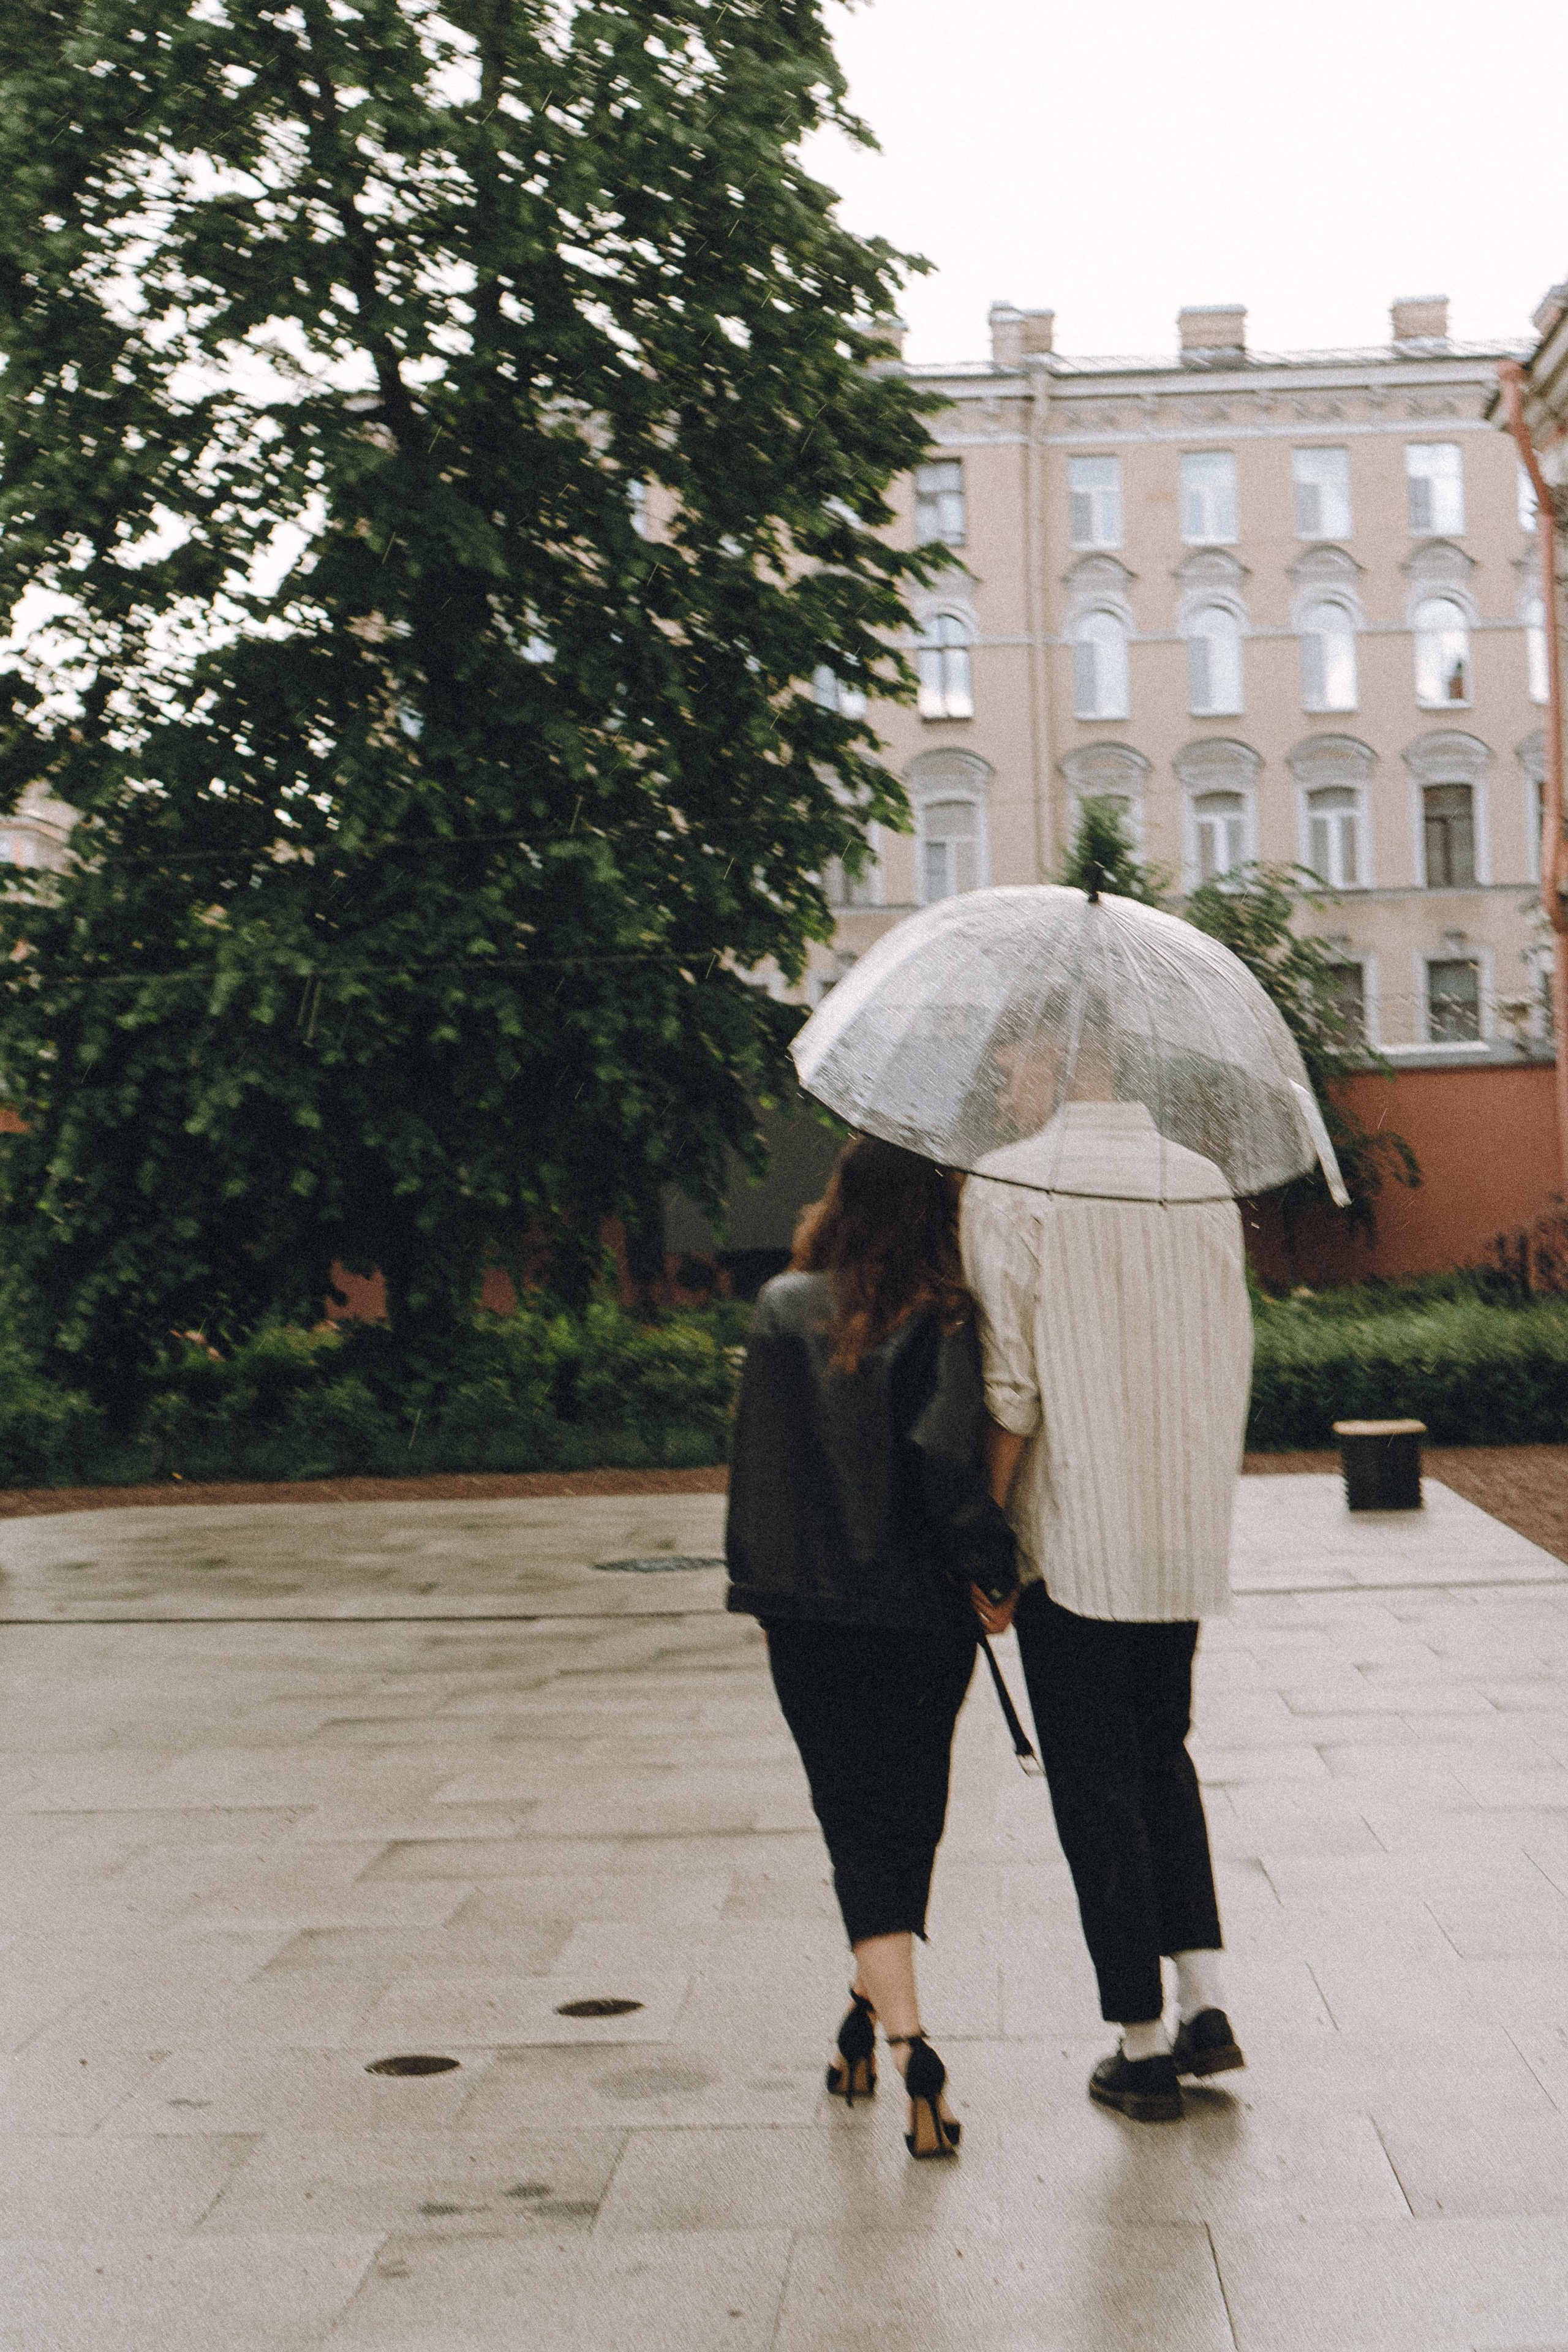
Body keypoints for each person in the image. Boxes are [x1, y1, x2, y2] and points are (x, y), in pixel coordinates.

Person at [960, 1092, 1253, 2124]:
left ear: (1057, 1052)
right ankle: (1204, 2002)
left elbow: (1011, 1388)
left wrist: (985, 1526)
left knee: (1093, 1781)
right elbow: (1232, 1348)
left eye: (1016, 1044)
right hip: (1177, 1523)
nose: (1000, 1064)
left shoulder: (1014, 1180)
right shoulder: (1201, 1182)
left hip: (1074, 1530)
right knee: (1161, 1753)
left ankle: (1138, 2043)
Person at [726, 1136, 1017, 2160]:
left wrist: (761, 1590)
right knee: (906, 1817)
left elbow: (756, 1463)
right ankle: (912, 2048)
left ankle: (868, 2025)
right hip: (918, 1618)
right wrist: (995, 1572)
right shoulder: (943, 1317)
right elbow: (947, 1466)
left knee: (855, 1824)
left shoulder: (779, 1307)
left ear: (840, 1203)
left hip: (807, 1617)